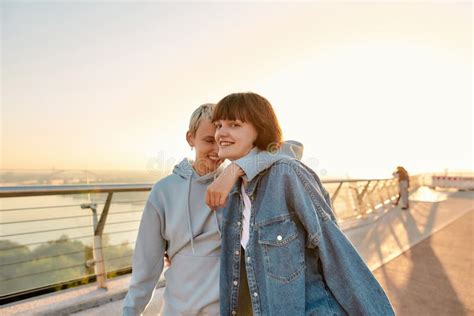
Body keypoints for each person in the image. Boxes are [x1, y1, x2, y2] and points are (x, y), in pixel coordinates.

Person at [213, 92, 395, 315]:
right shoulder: (232, 191)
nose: (221, 132)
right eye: (218, 125)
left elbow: (335, 250)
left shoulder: (287, 174)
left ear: (259, 128)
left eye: (234, 124)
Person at [122, 103, 302, 315]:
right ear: (190, 138)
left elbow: (292, 149)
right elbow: (145, 269)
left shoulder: (242, 184)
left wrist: (236, 168)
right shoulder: (163, 192)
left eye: (221, 142)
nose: (217, 151)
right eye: (208, 141)